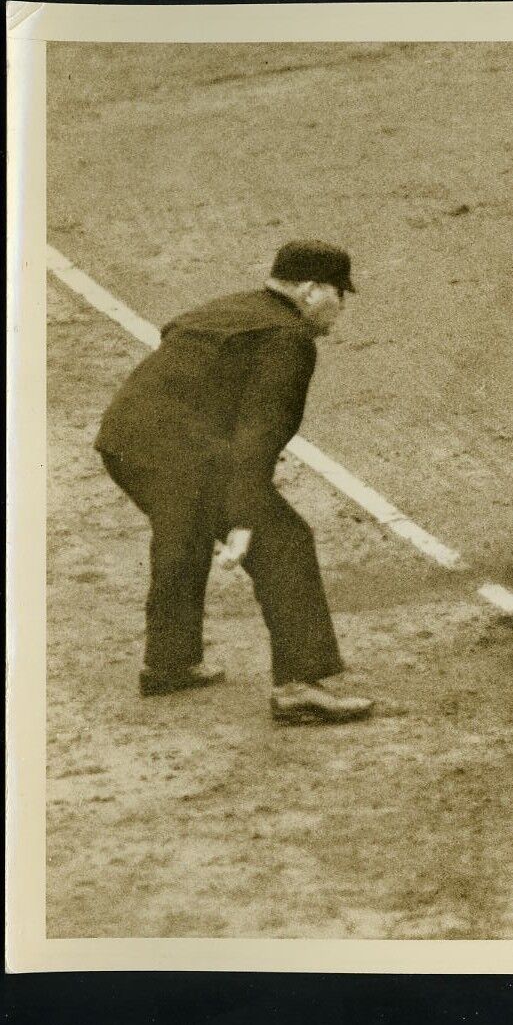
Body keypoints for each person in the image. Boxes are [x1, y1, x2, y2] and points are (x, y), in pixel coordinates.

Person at [95, 239, 376, 724]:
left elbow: (173, 335)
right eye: (338, 293)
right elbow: (258, 437)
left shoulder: (227, 308)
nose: (341, 307)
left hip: (123, 439)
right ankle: (299, 686)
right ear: (310, 291)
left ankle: (169, 663)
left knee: (181, 533)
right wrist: (244, 518)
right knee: (284, 542)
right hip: (178, 453)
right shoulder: (289, 338)